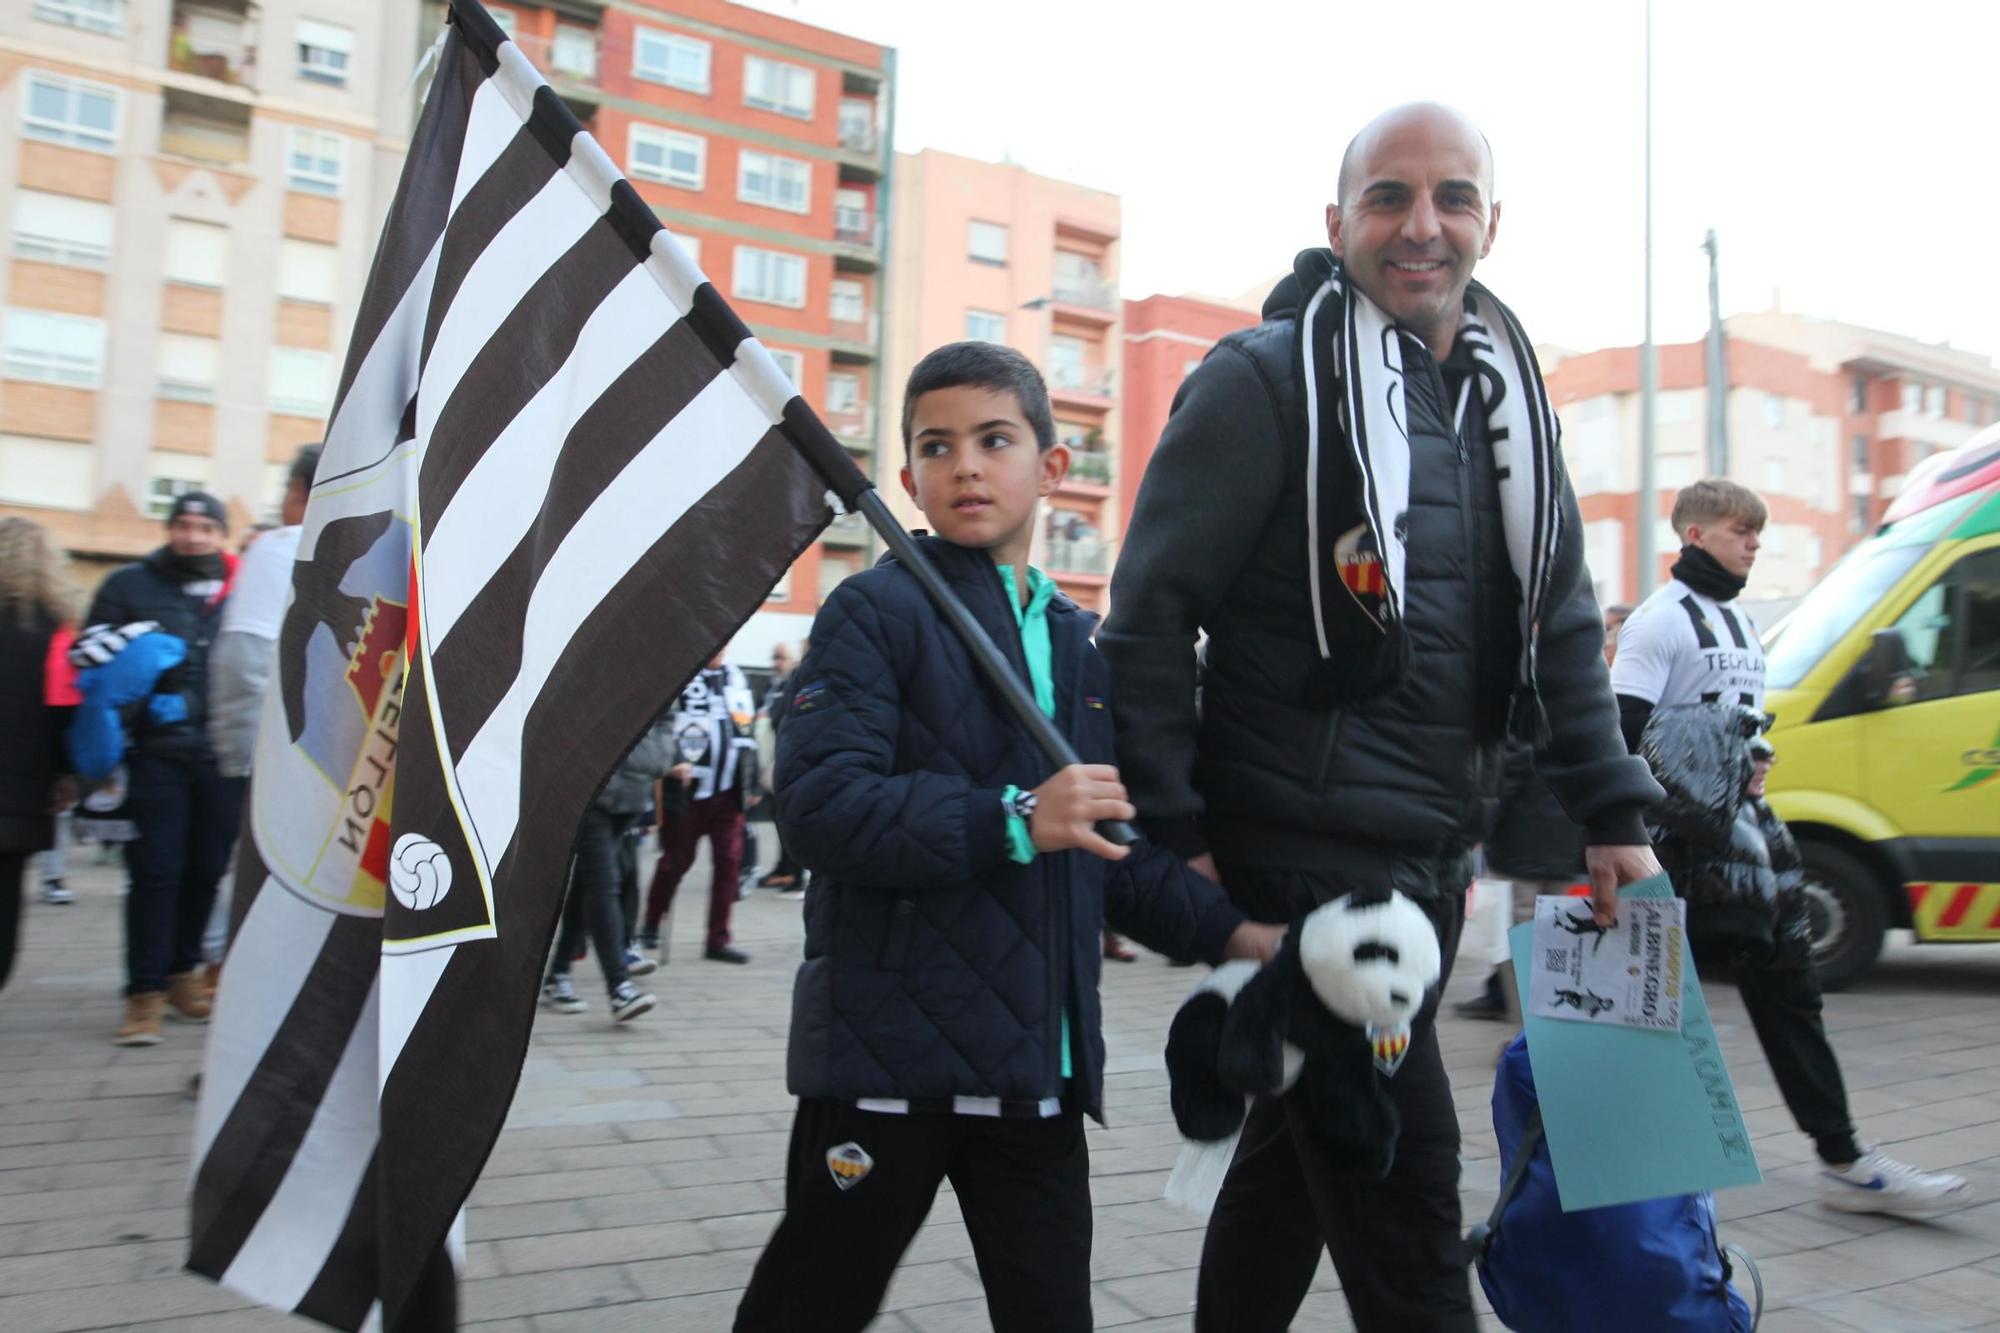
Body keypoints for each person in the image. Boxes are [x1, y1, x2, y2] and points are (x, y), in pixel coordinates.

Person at [1098, 103, 1665, 1332]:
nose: (1421, 226)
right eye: (1388, 198)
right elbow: (1143, 619)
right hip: (1307, 858)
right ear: (1336, 222)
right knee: (1406, 1216)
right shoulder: (1262, 380)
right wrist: (1175, 827)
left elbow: (1560, 620)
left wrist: (1610, 810)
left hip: (1427, 848)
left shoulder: (1509, 402)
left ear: (1489, 223)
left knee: (1286, 1183)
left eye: (1451, 198)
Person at [732, 342, 1281, 1333]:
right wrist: (1016, 819)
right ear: (905, 478)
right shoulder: (875, 608)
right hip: (887, 1069)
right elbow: (817, 805)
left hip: (1037, 1075)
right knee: (806, 1307)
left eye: (994, 439)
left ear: (1052, 465)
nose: (966, 467)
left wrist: (1240, 938)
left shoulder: (1079, 643)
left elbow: (1110, 845)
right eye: (935, 447)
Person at [1613, 477, 1970, 1217]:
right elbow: (1621, 734)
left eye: (1757, 532)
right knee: (1648, 1009)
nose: (1753, 543)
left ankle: (1843, 1157)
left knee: (1789, 992)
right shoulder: (1660, 623)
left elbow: (1735, 727)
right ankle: (1624, 1163)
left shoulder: (1739, 625)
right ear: (1695, 536)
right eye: (1740, 530)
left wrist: (1753, 760)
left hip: (1745, 843)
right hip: (1675, 849)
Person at [84, 491, 241, 1045]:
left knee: (205, 869)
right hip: (155, 752)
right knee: (155, 872)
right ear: (169, 529)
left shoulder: (242, 587)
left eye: (205, 526)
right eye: (183, 524)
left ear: (221, 534)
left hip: (224, 754)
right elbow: (87, 653)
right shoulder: (129, 584)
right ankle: (142, 995)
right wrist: (140, 647)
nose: (193, 535)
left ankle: (182, 974)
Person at [638, 648, 761, 964]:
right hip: (689, 792)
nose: (719, 649)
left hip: (728, 791)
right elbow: (663, 725)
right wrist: (673, 761)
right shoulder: (682, 675)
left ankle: (717, 939)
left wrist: (753, 779)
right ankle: (651, 924)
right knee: (676, 861)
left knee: (729, 863)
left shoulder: (735, 676)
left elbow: (747, 731)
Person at [541, 719, 668, 1022]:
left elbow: (665, 726)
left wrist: (652, 757)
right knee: (604, 885)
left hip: (631, 798)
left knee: (587, 885)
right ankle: (619, 987)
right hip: (593, 791)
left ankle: (558, 974)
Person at [0, 518, 81, 992]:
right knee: (6, 897)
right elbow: (63, 713)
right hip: (23, 791)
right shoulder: (57, 632)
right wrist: (65, 777)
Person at [755, 642, 807, 894]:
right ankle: (783, 869)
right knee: (778, 817)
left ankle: (793, 873)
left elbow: (784, 718)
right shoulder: (772, 684)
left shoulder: (795, 683)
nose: (776, 662)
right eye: (774, 657)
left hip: (787, 761)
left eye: (781, 658)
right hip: (772, 760)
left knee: (789, 818)